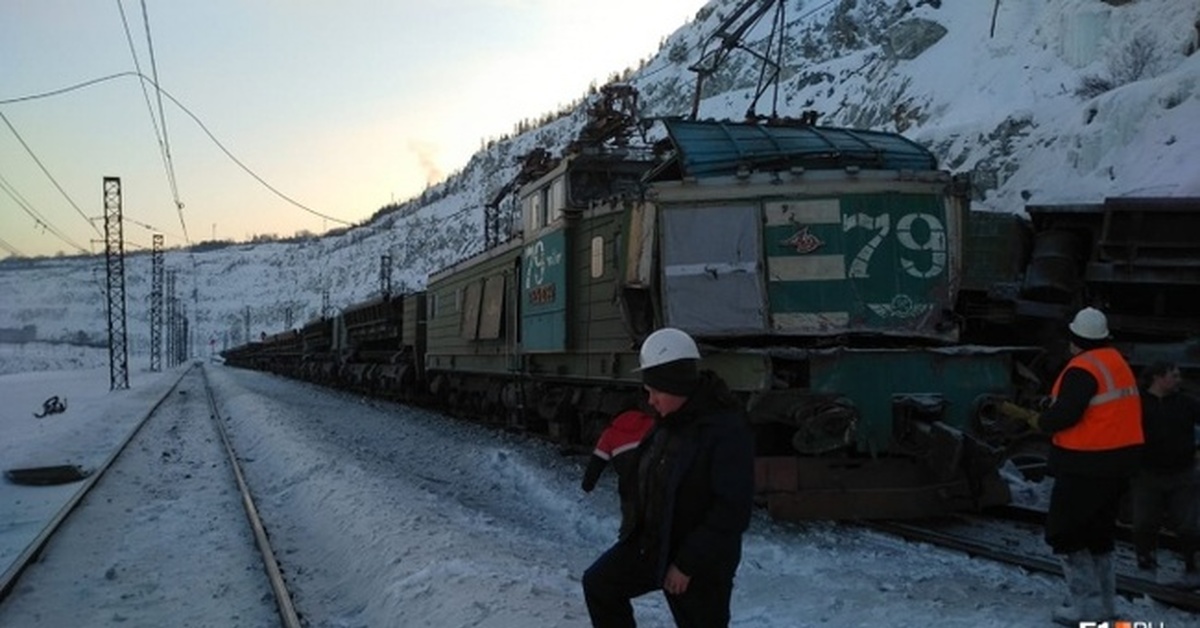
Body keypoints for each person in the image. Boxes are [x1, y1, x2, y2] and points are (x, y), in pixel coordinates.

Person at [581, 327, 755, 628]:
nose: (651, 401)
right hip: (654, 546)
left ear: (676, 386)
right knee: (600, 584)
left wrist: (686, 565)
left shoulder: (725, 431)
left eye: (655, 391)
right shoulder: (668, 421)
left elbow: (732, 511)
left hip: (698, 562)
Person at [1025, 307, 1144, 625]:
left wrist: (1042, 420)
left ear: (1075, 339)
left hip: (1085, 464)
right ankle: (1106, 606)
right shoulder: (1116, 362)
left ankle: (1086, 609)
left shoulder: (1081, 368)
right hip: (1120, 463)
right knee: (1099, 534)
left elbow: (1066, 415)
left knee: (1065, 533)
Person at [1130, 361, 1200, 585]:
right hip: (1147, 473)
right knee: (1144, 523)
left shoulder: (1187, 403)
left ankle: (1193, 568)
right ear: (1157, 378)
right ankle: (1146, 566)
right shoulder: (1137, 404)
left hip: (1182, 473)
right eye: (1174, 375)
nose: (1179, 380)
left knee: (1188, 525)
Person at [582, 407, 655, 539]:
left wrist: (588, 485)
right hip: (655, 482)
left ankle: (627, 551)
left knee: (630, 526)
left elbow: (597, 463)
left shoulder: (610, 434)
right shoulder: (653, 425)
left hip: (629, 487)